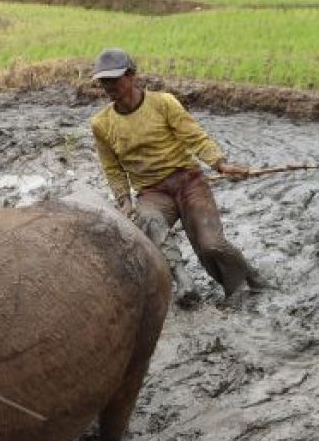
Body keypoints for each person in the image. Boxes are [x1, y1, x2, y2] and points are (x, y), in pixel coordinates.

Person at [89, 47, 267, 301]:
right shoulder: (101, 124)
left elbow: (194, 136)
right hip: (152, 192)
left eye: (113, 79)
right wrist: (124, 200)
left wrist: (220, 164)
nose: (108, 87)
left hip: (188, 182)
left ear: (131, 75)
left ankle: (250, 276)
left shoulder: (163, 103)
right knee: (148, 220)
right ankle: (183, 281)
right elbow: (112, 167)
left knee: (211, 245)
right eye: (103, 81)